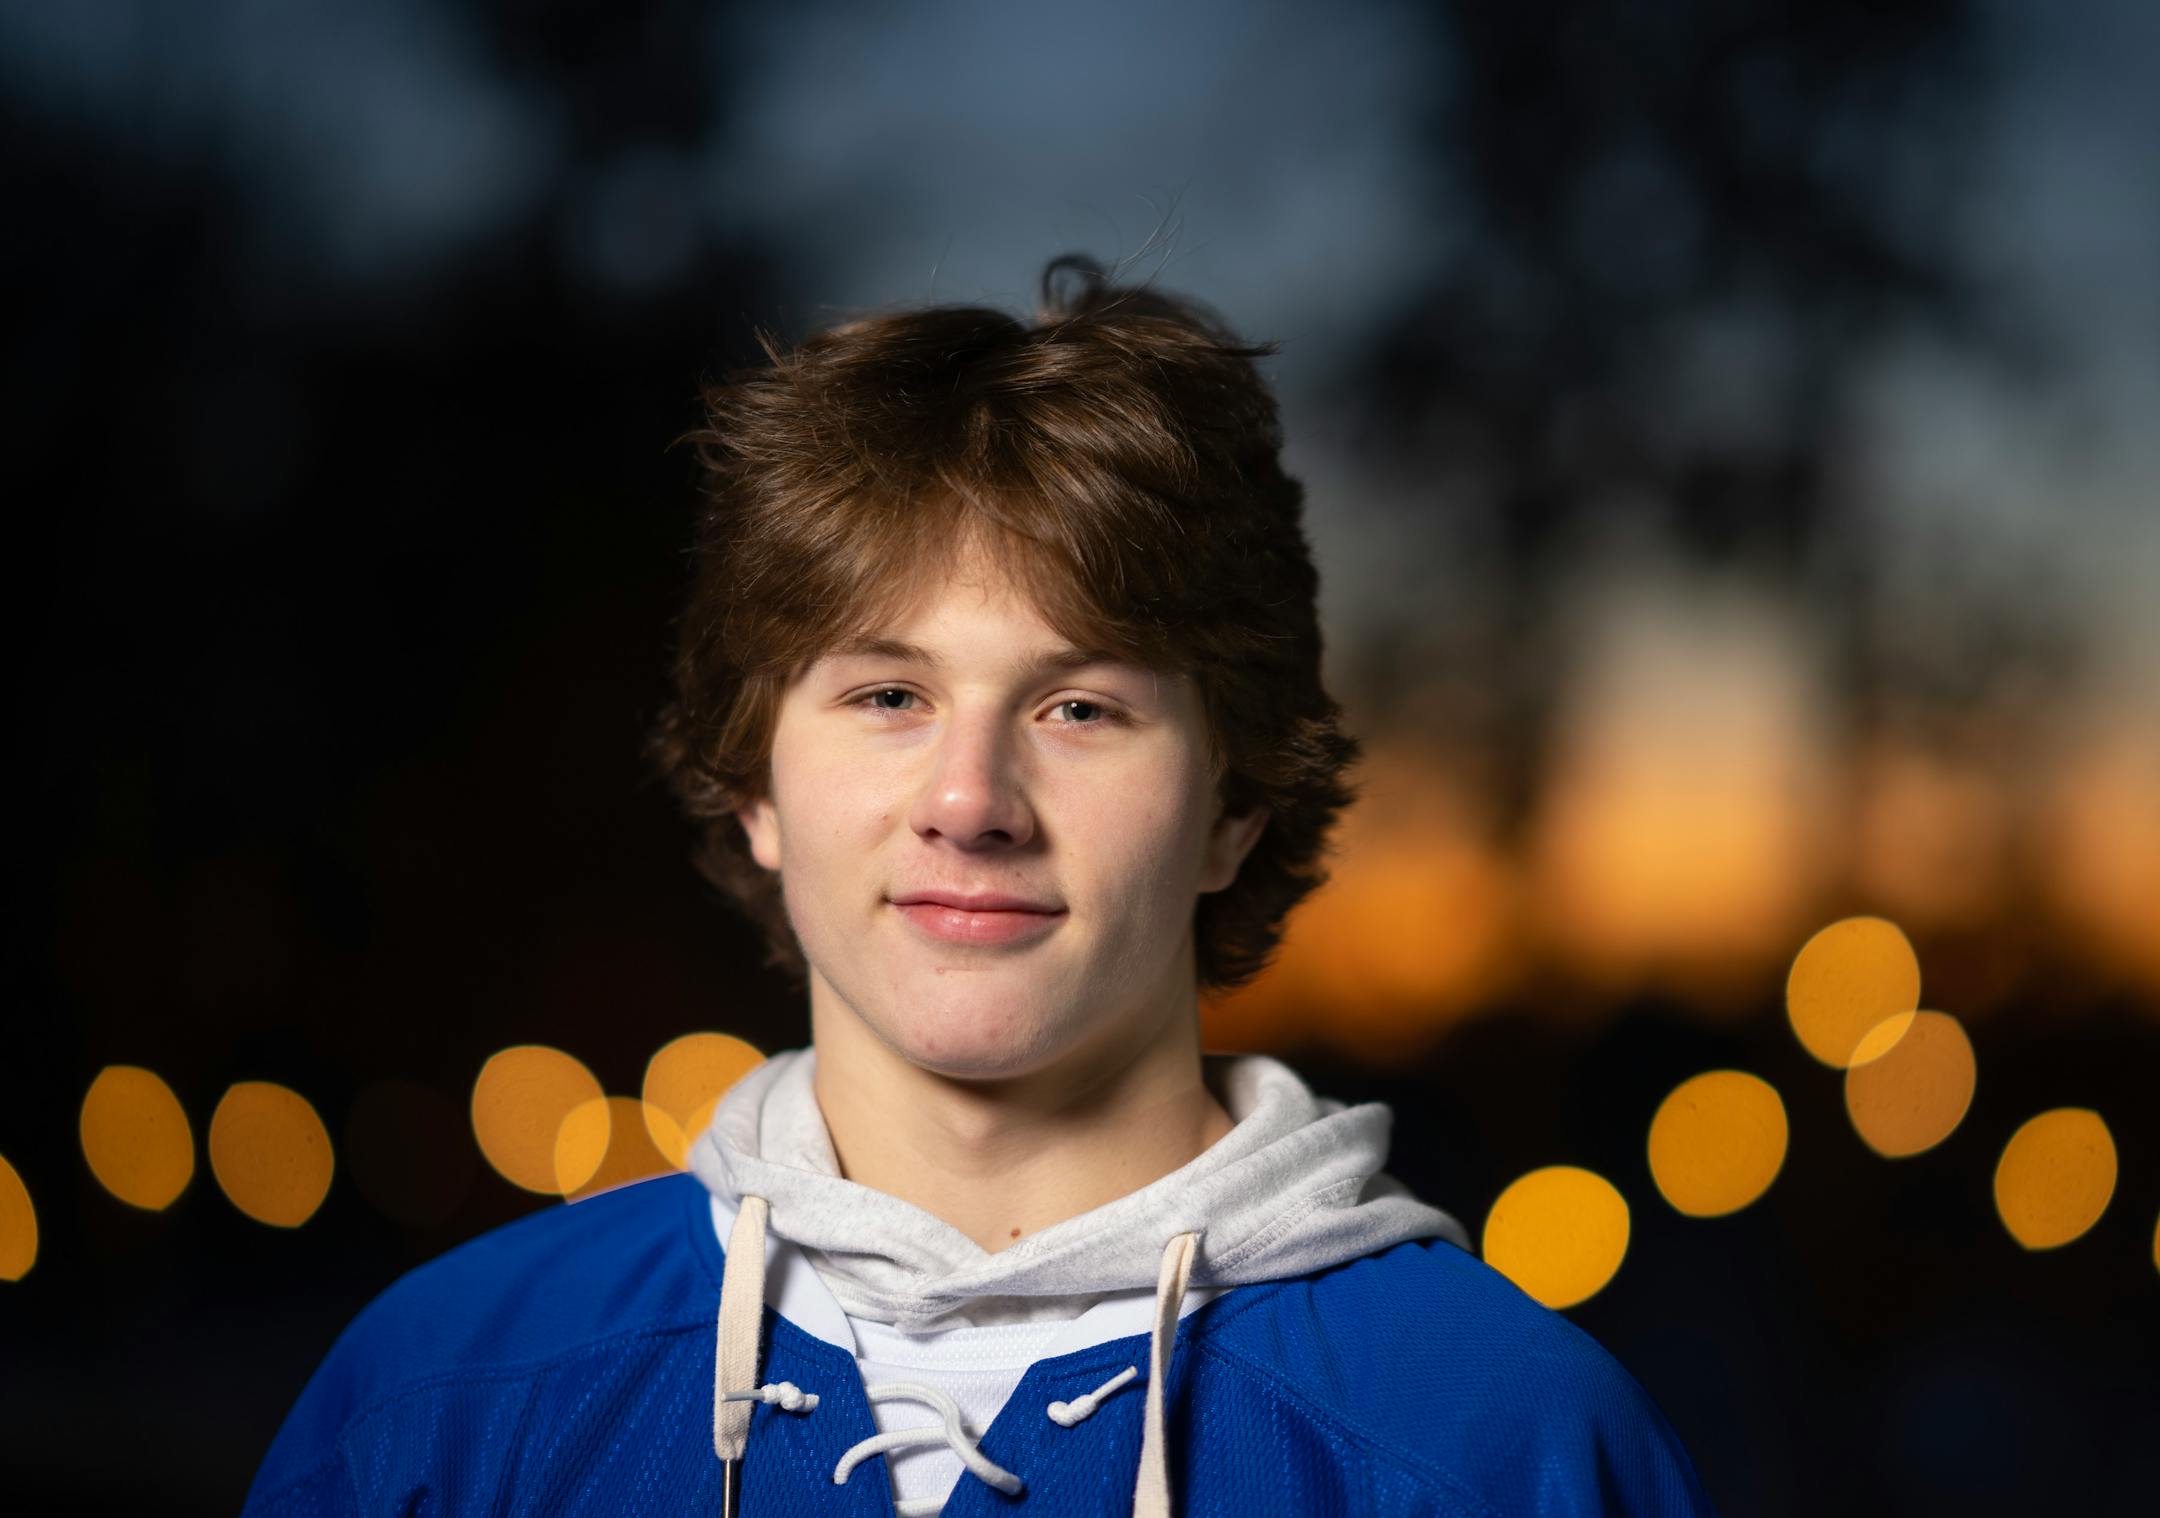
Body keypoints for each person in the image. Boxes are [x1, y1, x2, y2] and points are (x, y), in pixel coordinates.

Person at [242, 254, 1715, 1517]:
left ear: (1236, 805)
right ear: (753, 780)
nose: (971, 803)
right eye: (887, 694)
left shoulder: (1508, 1445)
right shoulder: (434, 1410)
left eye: (1081, 707)